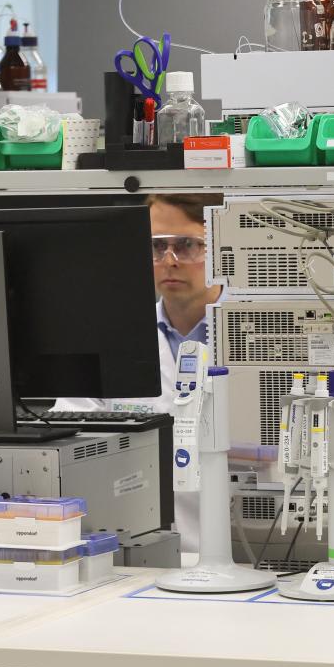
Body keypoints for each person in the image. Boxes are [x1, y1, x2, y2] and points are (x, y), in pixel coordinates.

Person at [53, 192, 224, 551]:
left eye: (187, 245)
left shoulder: (261, 336)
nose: (169, 261)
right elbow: (67, 443)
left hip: (257, 550)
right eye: (157, 247)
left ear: (223, 245)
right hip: (135, 548)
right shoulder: (108, 335)